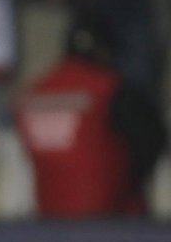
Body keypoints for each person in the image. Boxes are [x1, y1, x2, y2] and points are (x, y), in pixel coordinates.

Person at [15, 18, 167, 218]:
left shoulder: (32, 94)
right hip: (111, 221)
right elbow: (152, 140)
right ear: (104, 51)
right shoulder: (111, 92)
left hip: (48, 219)